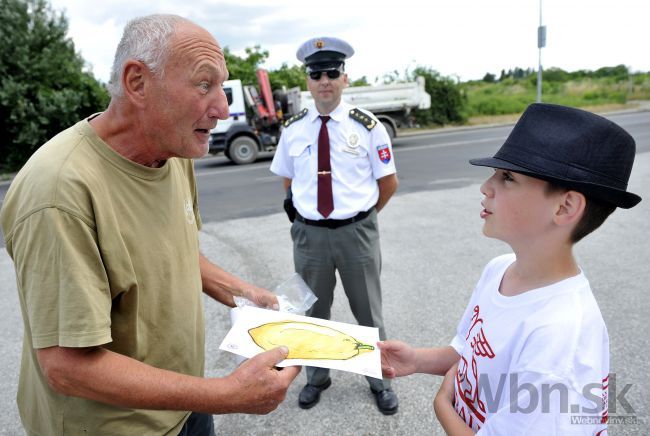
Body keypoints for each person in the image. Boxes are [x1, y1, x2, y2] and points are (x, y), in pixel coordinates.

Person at [0, 14, 300, 435]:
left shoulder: (173, 151)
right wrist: (227, 394)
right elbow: (68, 368)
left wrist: (242, 294)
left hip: (183, 403)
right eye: (203, 84)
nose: (222, 109)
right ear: (137, 82)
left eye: (222, 86)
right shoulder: (59, 193)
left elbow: (175, 251)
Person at [378, 103, 641, 434]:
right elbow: (470, 354)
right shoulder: (500, 269)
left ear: (565, 206)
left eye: (507, 177)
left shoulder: (559, 336)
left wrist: (443, 403)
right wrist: (416, 360)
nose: (486, 187)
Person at [270, 36, 399, 415]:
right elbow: (288, 182)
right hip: (310, 236)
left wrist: (361, 218)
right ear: (308, 82)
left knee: (368, 313)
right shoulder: (293, 129)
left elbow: (387, 183)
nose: (324, 80)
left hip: (356, 233)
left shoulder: (369, 126)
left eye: (332, 72)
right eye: (316, 73)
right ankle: (317, 378)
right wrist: (307, 218)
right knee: (313, 312)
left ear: (345, 78)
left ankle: (380, 381)